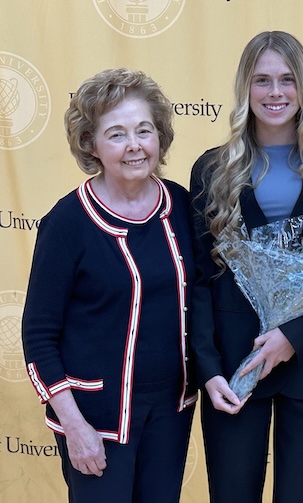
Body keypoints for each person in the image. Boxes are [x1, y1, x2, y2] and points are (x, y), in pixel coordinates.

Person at [189, 31, 303, 503]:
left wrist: (294, 336)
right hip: (233, 366)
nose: (275, 92)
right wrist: (207, 368)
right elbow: (200, 280)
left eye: (287, 79)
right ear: (245, 89)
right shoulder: (212, 170)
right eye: (262, 80)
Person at [22, 68, 198, 503]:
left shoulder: (182, 205)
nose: (135, 145)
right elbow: (38, 335)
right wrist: (74, 426)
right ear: (92, 145)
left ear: (160, 137)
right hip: (95, 420)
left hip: (171, 413)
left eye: (144, 130)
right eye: (117, 134)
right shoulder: (67, 223)